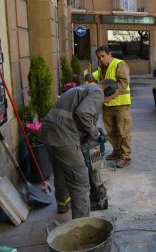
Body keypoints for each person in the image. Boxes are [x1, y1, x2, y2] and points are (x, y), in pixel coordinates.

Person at [40, 79, 119, 219]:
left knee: (59, 170)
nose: (109, 101)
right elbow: (83, 113)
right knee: (81, 181)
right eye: (112, 97)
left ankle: (63, 204)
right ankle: (82, 226)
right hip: (63, 136)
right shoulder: (98, 93)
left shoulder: (84, 88)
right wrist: (93, 132)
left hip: (49, 132)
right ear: (108, 90)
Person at [93, 46, 132, 168]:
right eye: (99, 57)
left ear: (109, 54)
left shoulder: (119, 64)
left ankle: (126, 156)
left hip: (120, 104)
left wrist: (110, 97)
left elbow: (123, 83)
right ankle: (116, 151)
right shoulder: (101, 68)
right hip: (107, 105)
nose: (101, 59)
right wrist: (89, 77)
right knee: (111, 131)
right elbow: (97, 79)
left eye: (103, 56)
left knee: (123, 131)